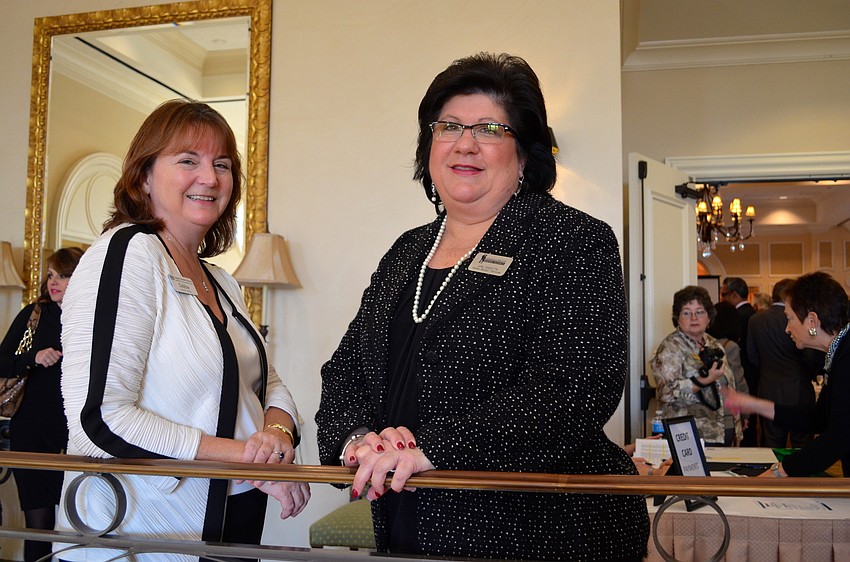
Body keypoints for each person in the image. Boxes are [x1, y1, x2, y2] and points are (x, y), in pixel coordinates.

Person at [315, 52, 649, 562]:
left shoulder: (572, 239)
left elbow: (578, 384)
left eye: (490, 129)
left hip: (540, 531)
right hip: (412, 520)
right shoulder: (407, 251)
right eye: (448, 126)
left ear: (525, 153)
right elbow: (345, 372)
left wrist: (433, 452)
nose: (465, 143)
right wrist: (360, 442)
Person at [54, 100, 309, 561]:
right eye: (188, 160)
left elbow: (266, 383)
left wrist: (277, 436)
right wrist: (245, 457)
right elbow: (100, 419)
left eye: (222, 165)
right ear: (144, 176)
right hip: (144, 528)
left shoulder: (221, 279)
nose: (210, 178)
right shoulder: (127, 255)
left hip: (238, 505)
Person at [0, 247, 83, 561]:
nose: (55, 282)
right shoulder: (35, 313)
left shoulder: (92, 318)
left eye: (63, 275)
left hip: (74, 430)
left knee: (78, 520)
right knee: (39, 521)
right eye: (51, 275)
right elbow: (2, 361)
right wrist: (32, 358)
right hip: (31, 429)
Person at [724, 271, 850, 477]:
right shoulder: (839, 353)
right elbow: (819, 419)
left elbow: (838, 438)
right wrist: (755, 404)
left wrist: (779, 472)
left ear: (812, 321)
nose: (787, 329)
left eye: (789, 319)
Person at [650, 285, 735, 446]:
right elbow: (666, 393)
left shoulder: (714, 344)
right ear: (678, 318)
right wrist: (704, 380)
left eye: (700, 312)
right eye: (687, 312)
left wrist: (736, 424)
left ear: (709, 317)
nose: (694, 318)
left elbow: (728, 386)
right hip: (688, 436)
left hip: (722, 431)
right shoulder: (670, 347)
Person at [746, 278, 822, 448]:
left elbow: (751, 356)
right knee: (802, 443)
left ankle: (772, 473)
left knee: (772, 443)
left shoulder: (756, 320)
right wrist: (805, 375)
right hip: (799, 388)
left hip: (768, 387)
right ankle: (801, 474)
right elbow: (811, 356)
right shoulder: (799, 318)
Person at [721, 276, 758, 445]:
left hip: (740, 376)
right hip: (756, 375)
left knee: (745, 430)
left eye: (724, 294)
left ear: (734, 294)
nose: (722, 299)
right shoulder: (755, 315)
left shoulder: (734, 316)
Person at [706, 300, 749, 445]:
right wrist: (745, 413)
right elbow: (738, 381)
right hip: (726, 413)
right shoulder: (730, 346)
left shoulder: (704, 344)